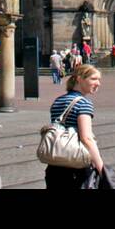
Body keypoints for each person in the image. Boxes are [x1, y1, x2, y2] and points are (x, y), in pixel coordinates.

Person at [45, 63, 104, 191]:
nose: (98, 83)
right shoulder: (84, 103)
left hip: (55, 165)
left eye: (99, 80)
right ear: (79, 79)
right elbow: (86, 138)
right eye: (93, 79)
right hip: (77, 167)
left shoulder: (58, 100)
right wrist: (101, 168)